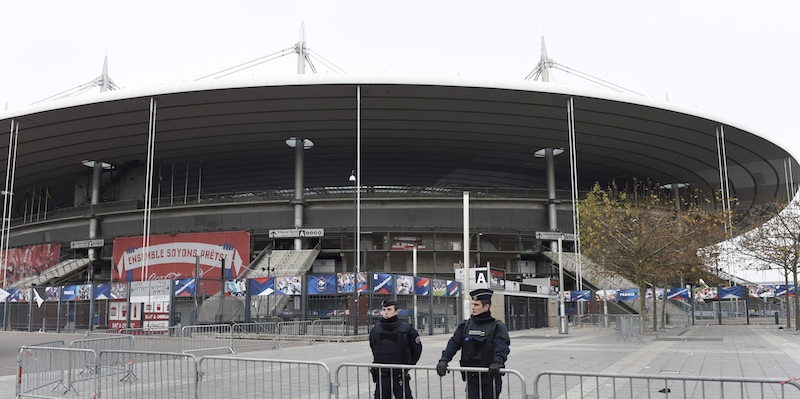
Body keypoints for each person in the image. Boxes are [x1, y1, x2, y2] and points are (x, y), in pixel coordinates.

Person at [436, 288, 511, 399]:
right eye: (472, 304)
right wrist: (444, 359)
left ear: (486, 307)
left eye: (476, 305)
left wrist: (498, 361)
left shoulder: (497, 326)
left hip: (490, 377)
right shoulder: (465, 326)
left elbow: (502, 346)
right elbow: (454, 343)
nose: (473, 308)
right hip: (472, 377)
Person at [369, 299, 423, 399]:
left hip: (399, 376)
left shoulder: (407, 329)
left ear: (396, 311)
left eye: (389, 309)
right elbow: (373, 347)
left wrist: (408, 365)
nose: (386, 312)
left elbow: (416, 350)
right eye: (384, 309)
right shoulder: (376, 329)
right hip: (382, 376)